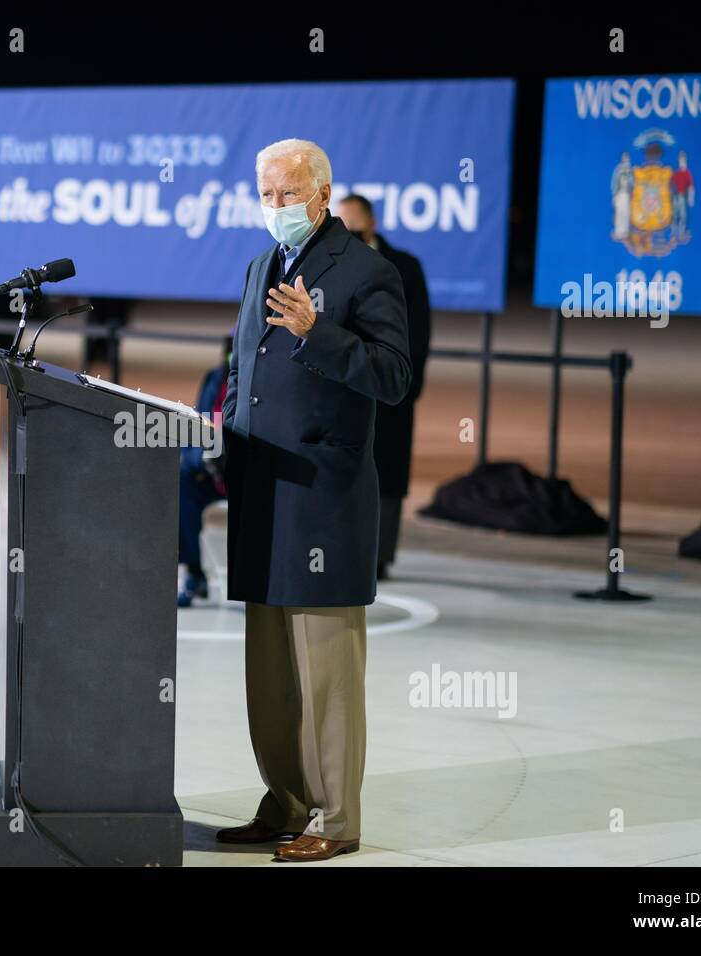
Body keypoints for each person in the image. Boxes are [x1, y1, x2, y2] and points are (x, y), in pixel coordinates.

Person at [219, 139, 411, 861]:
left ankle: (337, 821)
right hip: (262, 491)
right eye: (266, 195)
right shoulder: (260, 265)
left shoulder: (367, 271)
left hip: (323, 496)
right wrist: (227, 438)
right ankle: (285, 801)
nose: (277, 208)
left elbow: (393, 375)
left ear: (323, 195)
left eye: (289, 194)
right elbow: (240, 365)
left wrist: (316, 333)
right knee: (269, 670)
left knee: (326, 671)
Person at [336, 193, 432, 579]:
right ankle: (343, 549)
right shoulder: (333, 262)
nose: (350, 238)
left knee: (388, 474)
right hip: (347, 384)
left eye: (356, 230)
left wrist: (409, 384)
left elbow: (420, 330)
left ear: (372, 225)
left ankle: (378, 558)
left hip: (392, 384)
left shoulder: (405, 266)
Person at [177, 339, 231, 607]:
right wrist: (194, 457)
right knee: (182, 486)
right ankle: (195, 574)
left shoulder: (260, 382)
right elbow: (199, 419)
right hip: (211, 470)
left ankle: (258, 584)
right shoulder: (215, 378)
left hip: (246, 471)